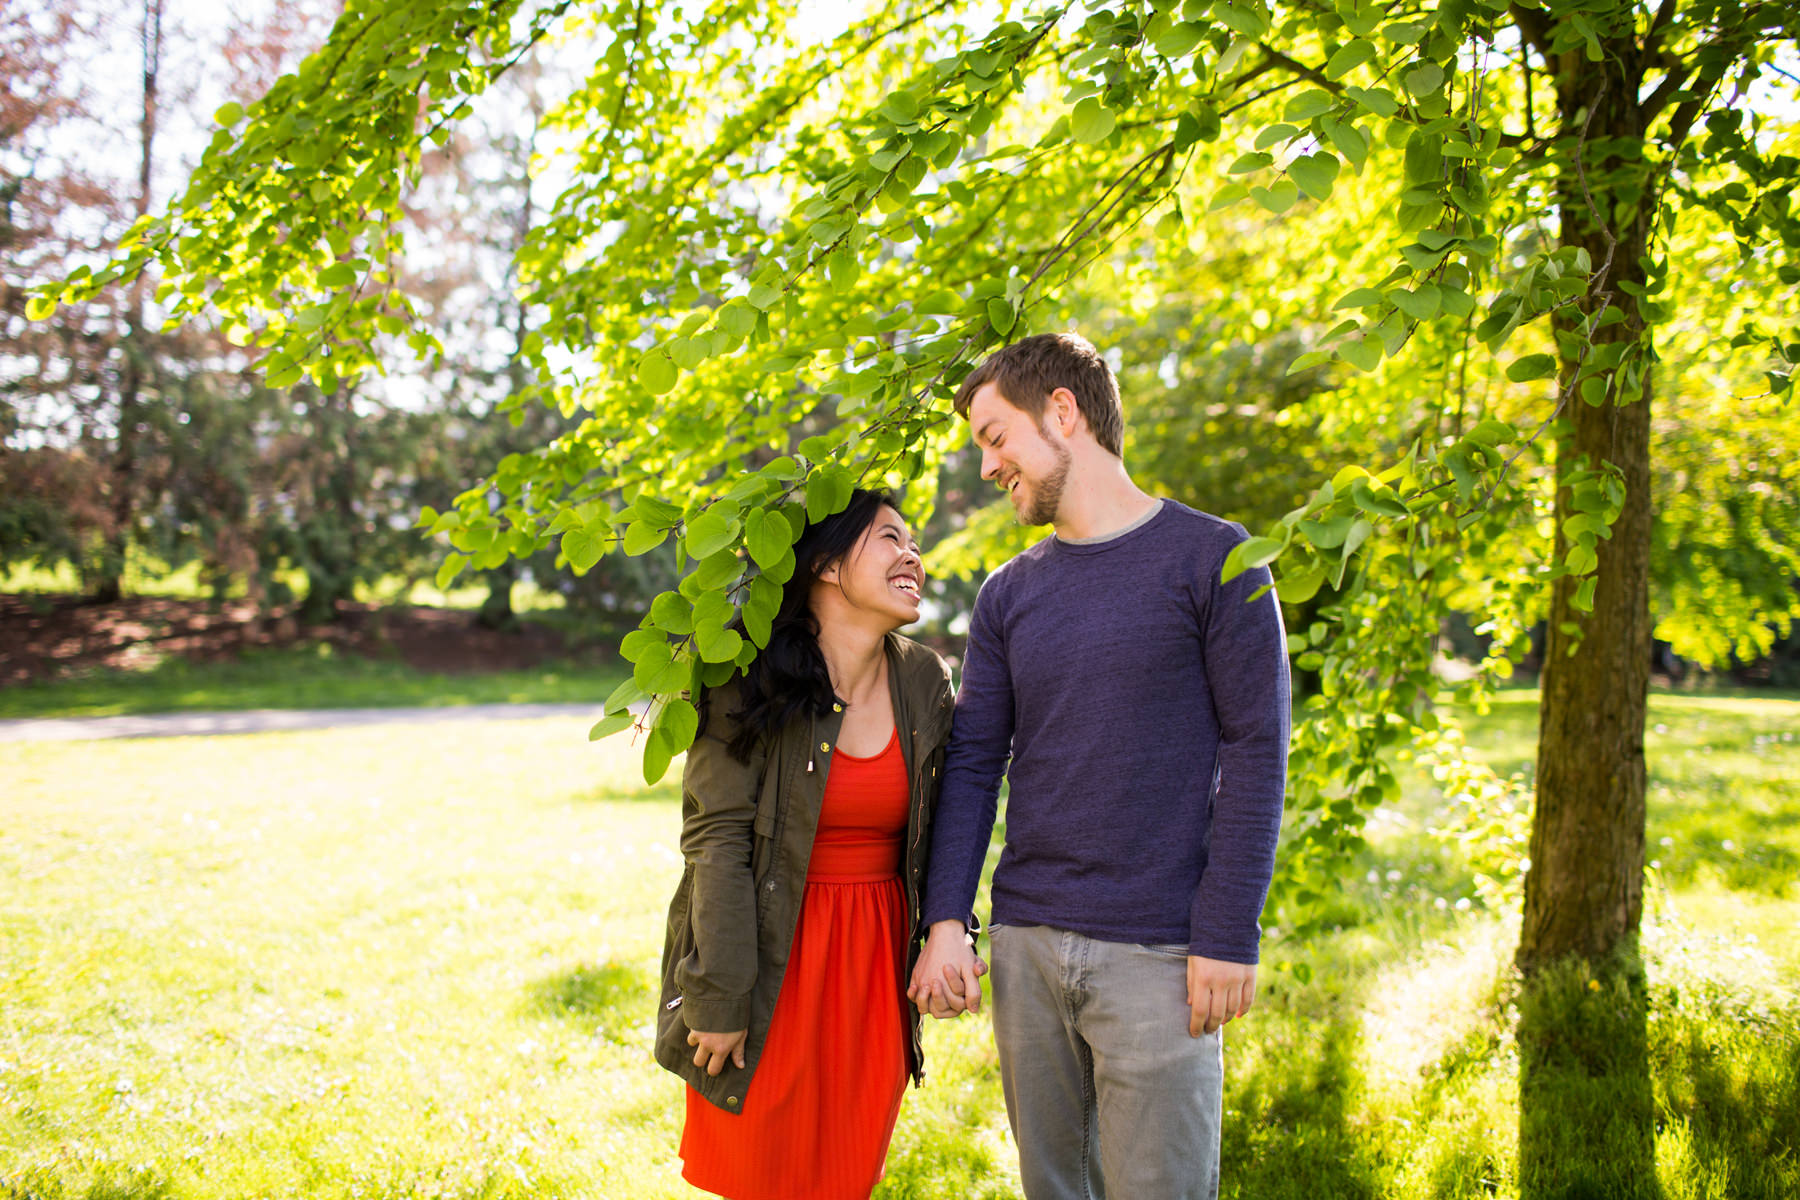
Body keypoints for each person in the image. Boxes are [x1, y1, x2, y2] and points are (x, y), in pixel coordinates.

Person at [907, 332, 1290, 1200]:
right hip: (1029, 945)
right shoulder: (1008, 594)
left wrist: (1229, 931)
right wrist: (945, 922)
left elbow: (1257, 749)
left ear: (1063, 413)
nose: (989, 465)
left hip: (1161, 953)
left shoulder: (1217, 559)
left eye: (996, 436)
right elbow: (973, 763)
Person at [654, 488, 968, 1200]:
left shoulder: (923, 679)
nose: (912, 554)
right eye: (890, 538)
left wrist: (950, 936)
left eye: (912, 541)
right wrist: (720, 998)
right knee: (756, 1174)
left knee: (845, 1177)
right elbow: (716, 842)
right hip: (768, 957)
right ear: (825, 565)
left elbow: (950, 825)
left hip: (872, 969)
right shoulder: (749, 675)